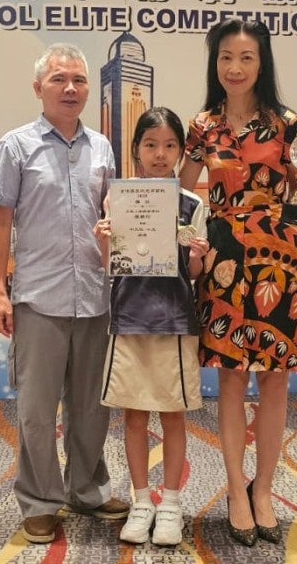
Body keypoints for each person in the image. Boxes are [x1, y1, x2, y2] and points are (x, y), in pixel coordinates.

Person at [179, 19, 297, 547]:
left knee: (276, 378)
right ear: (214, 62)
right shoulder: (203, 126)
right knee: (231, 378)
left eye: (246, 57)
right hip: (223, 259)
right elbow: (184, 194)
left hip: (280, 256)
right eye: (226, 57)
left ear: (262, 63)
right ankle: (234, 490)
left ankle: (262, 488)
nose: (235, 67)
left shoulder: (288, 124)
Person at [0, 43, 130, 544]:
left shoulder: (103, 147)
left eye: (79, 80)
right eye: (59, 79)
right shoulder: (16, 146)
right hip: (38, 298)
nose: (70, 89)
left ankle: (87, 490)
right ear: (38, 88)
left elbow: (114, 216)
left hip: (94, 294)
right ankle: (40, 501)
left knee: (92, 407)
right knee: (37, 410)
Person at [92, 107, 209, 546]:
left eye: (170, 145)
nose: (160, 154)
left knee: (173, 416)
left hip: (174, 320)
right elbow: (111, 266)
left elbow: (193, 273)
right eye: (151, 145)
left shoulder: (192, 203)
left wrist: (197, 255)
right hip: (129, 317)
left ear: (180, 151)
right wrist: (102, 240)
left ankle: (171, 502)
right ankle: (141, 501)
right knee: (134, 416)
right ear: (136, 150)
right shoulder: (118, 198)